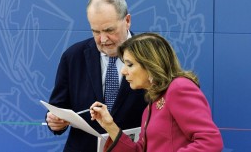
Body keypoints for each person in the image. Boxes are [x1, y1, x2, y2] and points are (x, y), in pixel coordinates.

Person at [45, 0, 147, 152]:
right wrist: (55, 121)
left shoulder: (149, 57)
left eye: (109, 30)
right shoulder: (73, 56)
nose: (103, 39)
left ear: (127, 21)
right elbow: (58, 106)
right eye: (96, 32)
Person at [90, 32, 224, 152]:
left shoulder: (179, 87)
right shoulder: (152, 104)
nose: (123, 71)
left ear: (150, 65)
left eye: (129, 64)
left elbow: (210, 141)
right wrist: (109, 125)